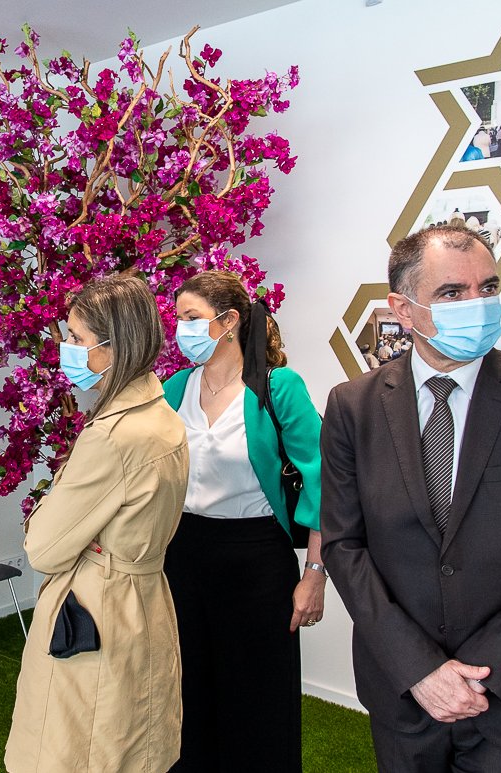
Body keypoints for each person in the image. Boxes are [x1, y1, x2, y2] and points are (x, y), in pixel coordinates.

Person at [321, 224, 501, 772]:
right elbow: (344, 546)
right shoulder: (353, 407)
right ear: (403, 310)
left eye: (487, 287)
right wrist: (420, 670)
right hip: (404, 694)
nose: (477, 304)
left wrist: (479, 675)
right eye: (452, 292)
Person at [6, 274, 189, 773]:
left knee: (81, 750)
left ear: (115, 346)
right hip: (143, 600)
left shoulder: (114, 436)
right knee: (131, 746)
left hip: (97, 609)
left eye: (76, 339)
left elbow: (44, 549)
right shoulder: (163, 416)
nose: (66, 349)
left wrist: (48, 510)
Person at [161, 270, 325, 772]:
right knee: (188, 693)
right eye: (178, 320)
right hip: (182, 556)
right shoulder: (176, 387)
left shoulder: (278, 387)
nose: (181, 330)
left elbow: (325, 481)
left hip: (256, 561)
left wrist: (314, 575)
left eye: (191, 318)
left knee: (258, 700)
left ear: (229, 321)